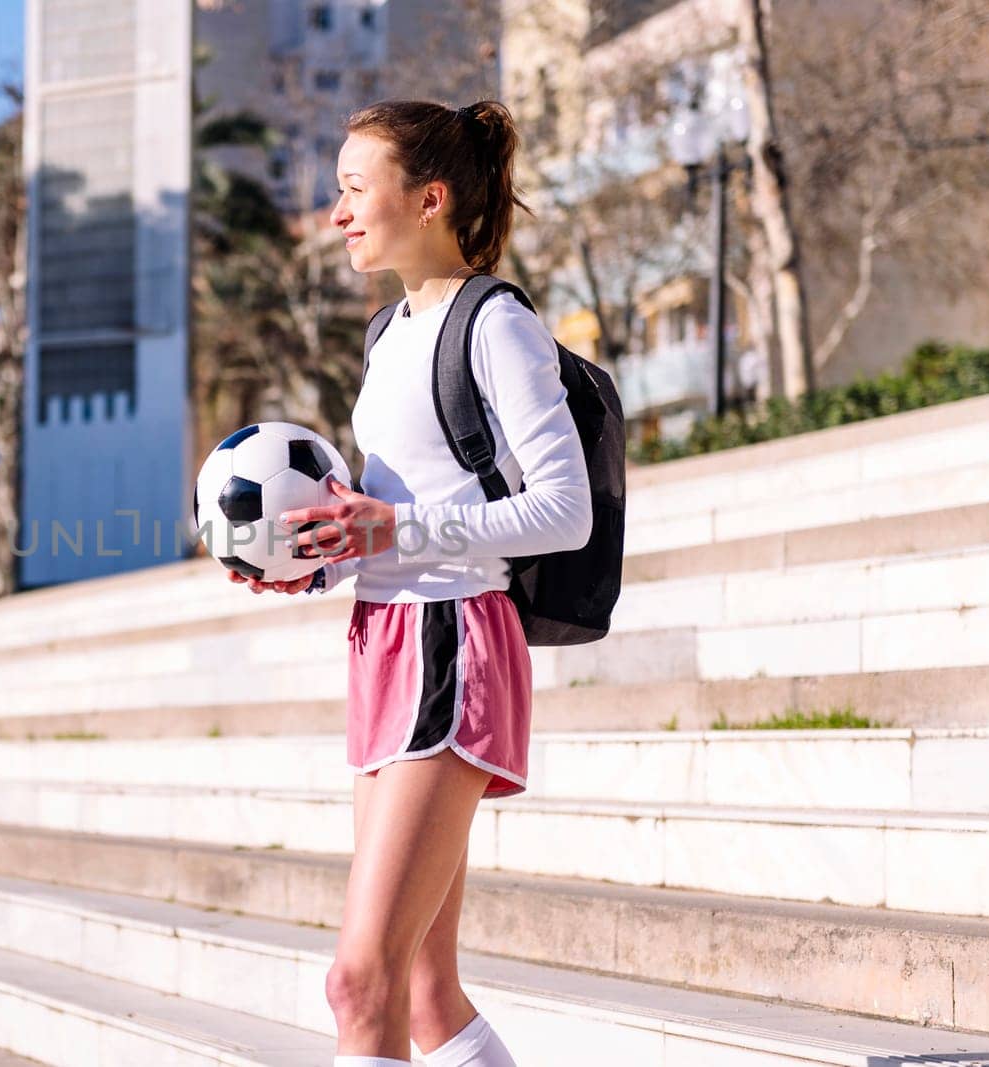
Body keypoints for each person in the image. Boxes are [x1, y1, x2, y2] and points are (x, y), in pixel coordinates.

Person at [226, 100, 592, 1067]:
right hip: (385, 638)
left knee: (361, 980)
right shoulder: (388, 332)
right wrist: (321, 558)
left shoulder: (499, 323)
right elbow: (402, 512)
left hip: (453, 640)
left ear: (429, 200)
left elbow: (565, 509)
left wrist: (396, 527)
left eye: (355, 188)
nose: (338, 210)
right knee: (424, 990)